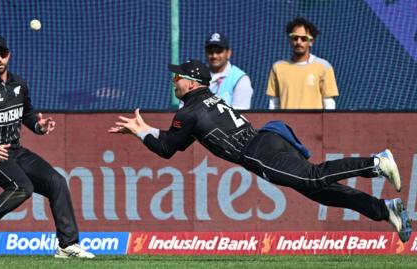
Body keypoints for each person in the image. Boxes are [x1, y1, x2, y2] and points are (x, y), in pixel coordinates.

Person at [109, 59, 412, 243]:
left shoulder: (189, 111)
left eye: (178, 77)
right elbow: (180, 141)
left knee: (313, 178)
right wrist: (146, 129)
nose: (174, 80)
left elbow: (165, 149)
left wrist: (140, 131)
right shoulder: (205, 101)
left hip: (256, 151)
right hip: (268, 138)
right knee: (317, 190)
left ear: (191, 83)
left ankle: (375, 163)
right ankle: (384, 209)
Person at [0, 35, 94, 258]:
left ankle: (67, 245)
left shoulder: (19, 84)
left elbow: (27, 113)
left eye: (2, 53)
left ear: (9, 54)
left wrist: (38, 125)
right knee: (22, 187)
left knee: (57, 182)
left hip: (15, 150)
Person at [266, 17, 339, 109]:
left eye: (304, 38)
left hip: (313, 123)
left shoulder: (324, 67)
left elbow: (329, 104)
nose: (299, 42)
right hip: (285, 123)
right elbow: (273, 104)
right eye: (295, 38)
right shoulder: (278, 67)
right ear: (290, 40)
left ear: (311, 42)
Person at [204, 32, 253, 110]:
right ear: (205, 53)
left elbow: (239, 116)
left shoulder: (240, 79)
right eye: (210, 51)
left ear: (228, 53)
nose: (214, 56)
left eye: (219, 51)